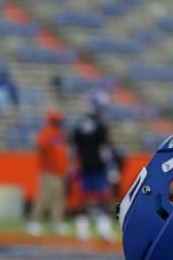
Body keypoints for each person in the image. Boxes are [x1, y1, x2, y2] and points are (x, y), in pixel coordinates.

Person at [70, 100, 117, 242]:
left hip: (84, 165)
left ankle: (82, 230)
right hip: (98, 166)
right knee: (104, 197)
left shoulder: (79, 126)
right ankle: (103, 229)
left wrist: (73, 165)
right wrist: (112, 167)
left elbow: (74, 147)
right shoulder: (101, 126)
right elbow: (105, 148)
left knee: (84, 198)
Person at [27, 109, 69, 236]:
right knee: (45, 197)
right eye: (57, 120)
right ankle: (33, 222)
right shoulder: (47, 132)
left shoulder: (60, 133)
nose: (59, 122)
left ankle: (56, 223)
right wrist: (47, 162)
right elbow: (39, 146)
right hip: (49, 172)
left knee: (58, 198)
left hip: (60, 171)